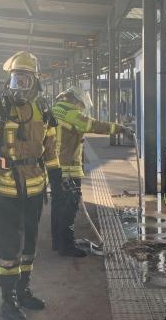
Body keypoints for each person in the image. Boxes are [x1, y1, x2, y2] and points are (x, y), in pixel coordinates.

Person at [0, 51, 61, 320]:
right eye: (16, 79)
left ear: (35, 82)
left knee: (29, 244)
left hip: (35, 191)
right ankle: (7, 299)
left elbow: (51, 150)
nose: (20, 86)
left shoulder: (43, 111)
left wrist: (57, 179)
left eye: (25, 80)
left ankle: (23, 290)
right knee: (8, 246)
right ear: (9, 81)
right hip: (5, 192)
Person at [50, 87, 129, 257]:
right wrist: (119, 129)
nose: (82, 106)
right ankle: (67, 246)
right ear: (74, 99)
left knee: (57, 206)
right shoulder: (70, 113)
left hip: (54, 167)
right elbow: (93, 125)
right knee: (69, 207)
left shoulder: (55, 110)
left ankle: (58, 241)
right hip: (68, 168)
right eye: (80, 102)